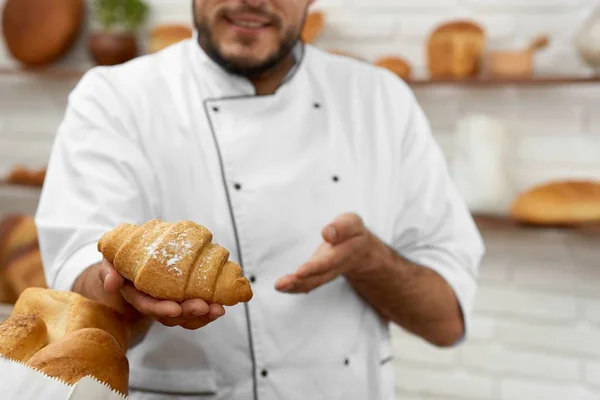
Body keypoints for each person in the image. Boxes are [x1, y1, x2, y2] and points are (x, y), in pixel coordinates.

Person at [34, 0, 485, 399]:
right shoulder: (114, 99)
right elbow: (81, 310)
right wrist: (128, 286)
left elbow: (447, 323)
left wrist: (370, 261)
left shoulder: (382, 100)